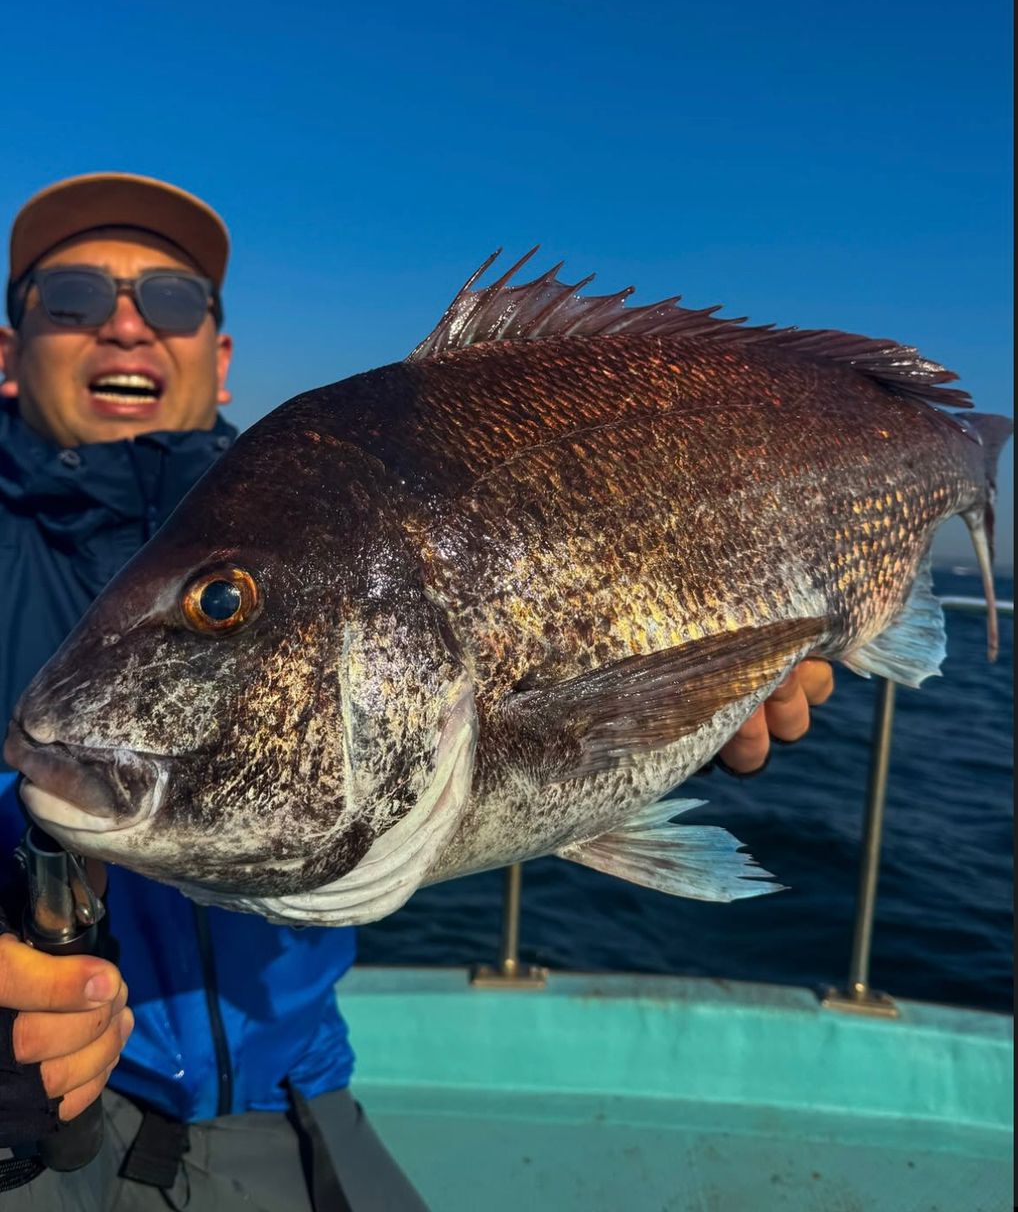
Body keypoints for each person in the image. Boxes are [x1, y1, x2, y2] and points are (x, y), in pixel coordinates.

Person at [0, 172, 834, 1209]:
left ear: (219, 360)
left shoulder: (322, 489)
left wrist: (680, 716)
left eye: (170, 300)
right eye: (72, 297)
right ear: (8, 348)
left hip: (304, 1091)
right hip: (51, 1124)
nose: (125, 327)